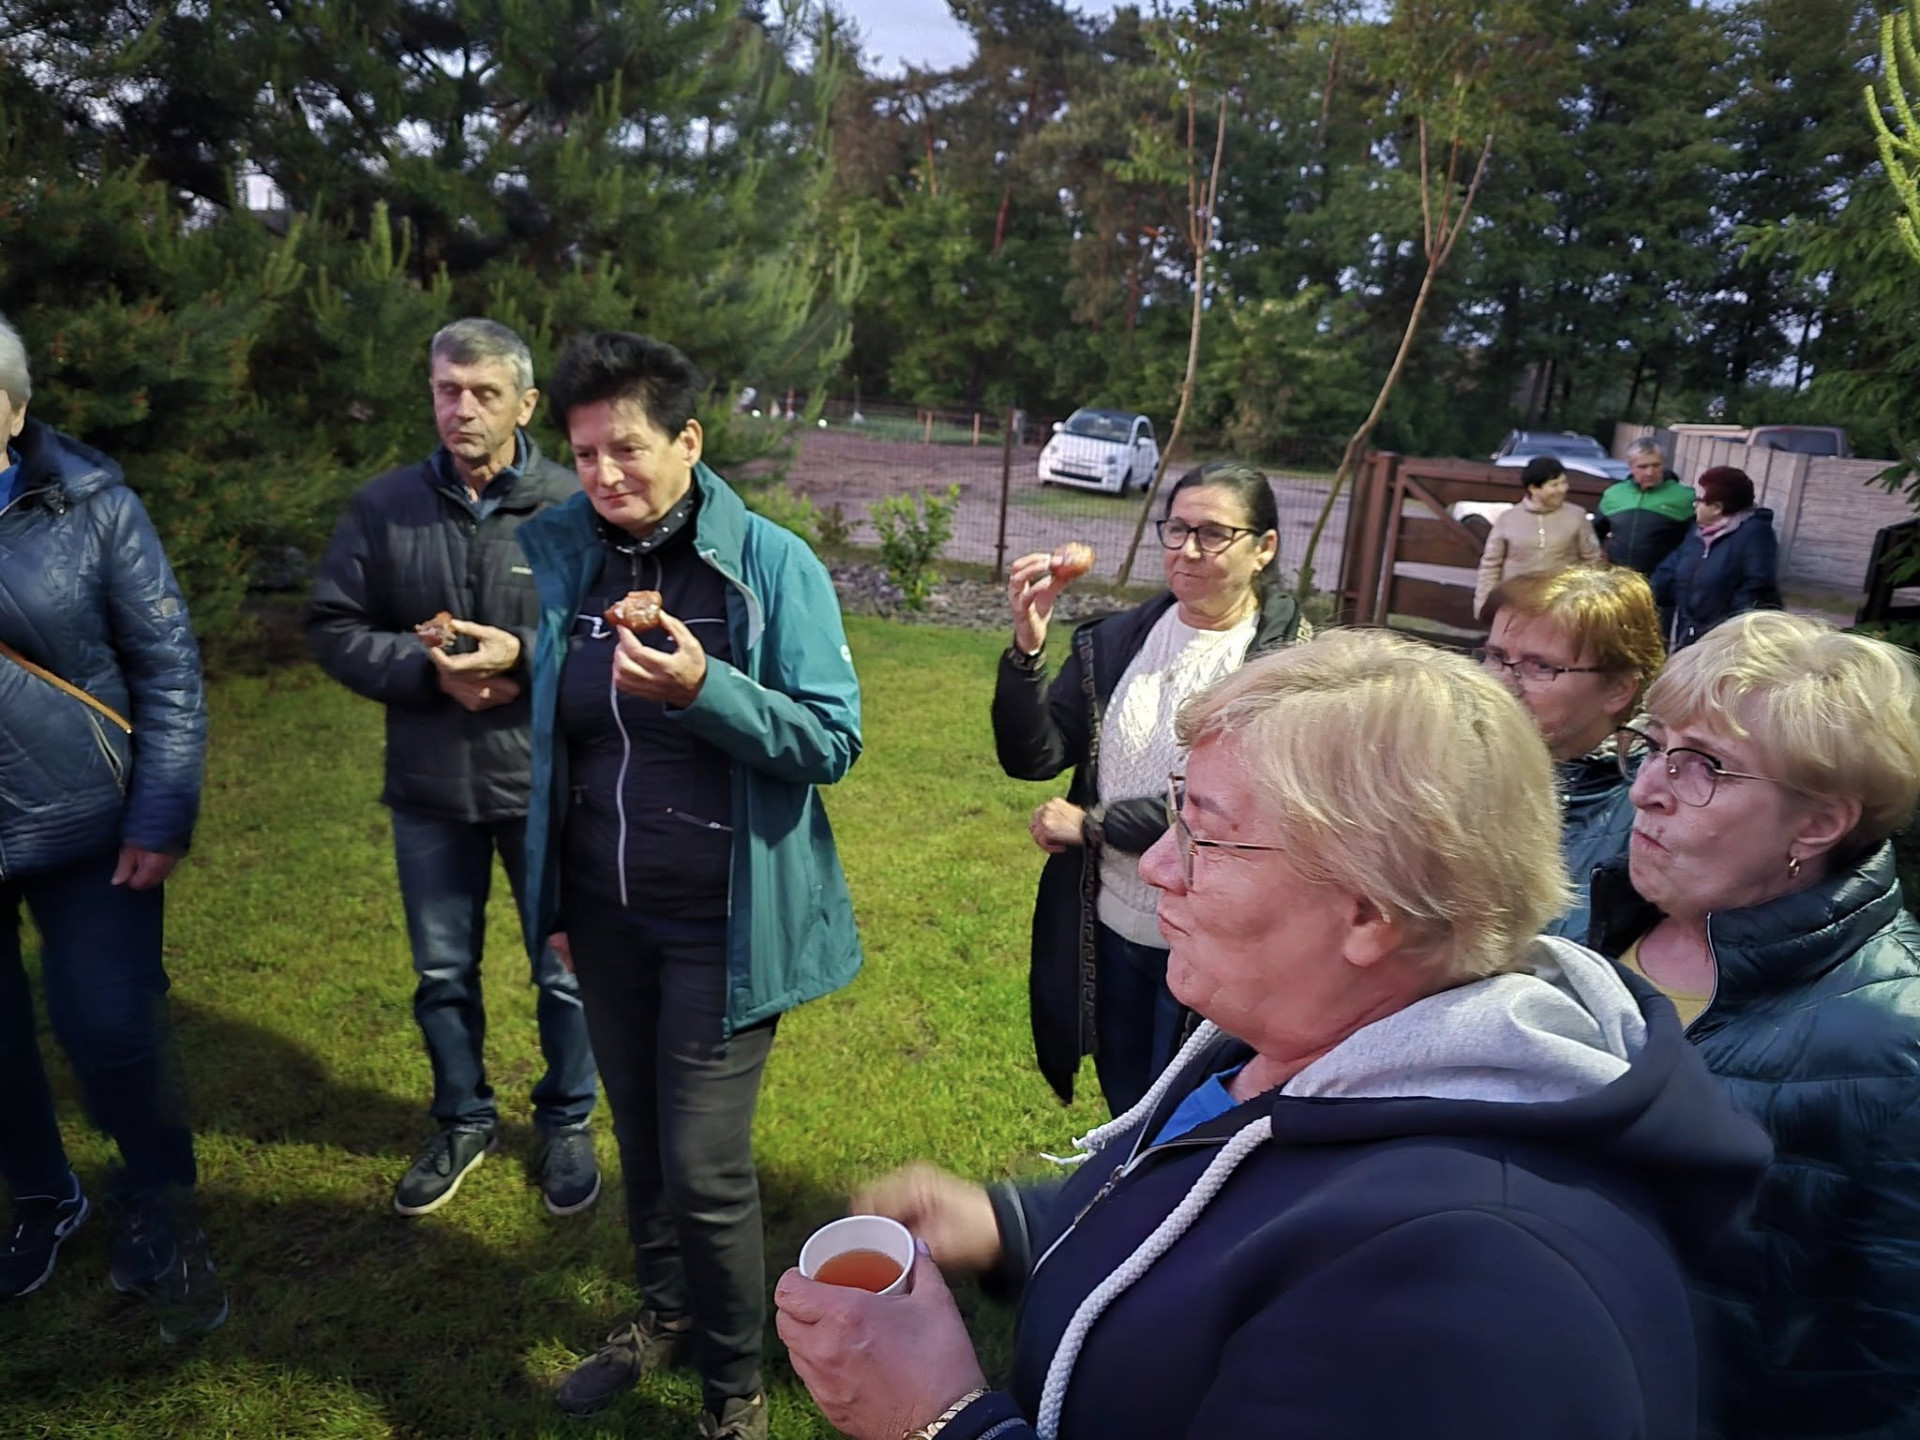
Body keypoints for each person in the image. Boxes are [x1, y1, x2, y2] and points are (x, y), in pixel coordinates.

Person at [778, 629, 1772, 1440]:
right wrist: (1013, 1227)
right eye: (1174, 812)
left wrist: (940, 1418)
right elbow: (1227, 1214)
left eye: (1205, 833)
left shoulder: (1475, 1291)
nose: (1157, 865)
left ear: (1370, 912)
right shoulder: (1299, 1045)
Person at [517, 331, 862, 1440]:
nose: (604, 474)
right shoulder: (567, 562)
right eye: (584, 454)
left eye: (626, 448)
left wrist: (707, 687)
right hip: (606, 916)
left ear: (689, 442)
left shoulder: (770, 565)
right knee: (641, 1138)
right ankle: (664, 1311)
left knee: (707, 1167)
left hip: (725, 921)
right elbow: (564, 739)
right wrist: (558, 908)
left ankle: (734, 1391)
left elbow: (830, 739)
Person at [1587, 611, 1920, 1438]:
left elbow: (1889, 1369)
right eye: (1654, 745)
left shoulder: (1893, 1040)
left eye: (1703, 766)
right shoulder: (1587, 917)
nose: (1646, 788)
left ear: (1818, 823)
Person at [307, 318, 599, 1219]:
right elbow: (333, 625)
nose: (461, 408)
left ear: (526, 403)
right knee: (441, 974)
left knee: (566, 969)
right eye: (446, 390)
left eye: (482, 392)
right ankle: (463, 1119)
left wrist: (525, 657)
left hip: (544, 786)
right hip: (431, 788)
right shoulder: (385, 506)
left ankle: (567, 1123)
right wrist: (424, 671)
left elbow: (606, 635)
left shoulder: (574, 506)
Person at [0, 312, 225, 1339]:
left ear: (14, 410)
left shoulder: (96, 508)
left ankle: (158, 1201)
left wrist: (163, 811)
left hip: (89, 826)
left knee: (111, 1028)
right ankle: (43, 1196)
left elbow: (168, 671)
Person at [992, 461, 1302, 1115]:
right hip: (1111, 927)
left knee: (1198, 1109)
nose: (1187, 549)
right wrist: (1028, 648)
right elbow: (1034, 756)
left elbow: (1248, 810)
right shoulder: (1117, 642)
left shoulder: (1290, 667)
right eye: (1177, 529)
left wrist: (1095, 825)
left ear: (1264, 548)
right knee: (1127, 1101)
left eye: (1213, 533)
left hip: (1218, 939)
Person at [1479, 566, 1665, 940]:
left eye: (1540, 666)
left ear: (1617, 689)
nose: (1503, 684)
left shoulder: (1651, 809)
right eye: (1496, 657)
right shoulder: (1455, 763)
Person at [1649, 464, 1782, 650]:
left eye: (1699, 500)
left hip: (1725, 643)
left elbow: (1755, 592)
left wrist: (1726, 637)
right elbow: (1669, 571)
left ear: (1717, 508)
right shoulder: (1698, 532)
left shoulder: (1756, 536)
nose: (1694, 505)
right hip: (1690, 635)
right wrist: (1641, 598)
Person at [1471, 455, 1603, 617]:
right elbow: (1490, 565)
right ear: (1534, 489)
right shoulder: (1508, 519)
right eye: (1554, 485)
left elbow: (1593, 561)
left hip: (1562, 608)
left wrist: (1588, 604)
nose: (1562, 489)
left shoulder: (1577, 516)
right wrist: (1483, 605)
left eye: (1564, 482)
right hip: (1515, 606)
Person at [1594, 438, 1694, 576]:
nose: (1649, 472)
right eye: (1643, 466)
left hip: (1661, 579)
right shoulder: (1614, 494)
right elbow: (1594, 534)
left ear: (1664, 464)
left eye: (1656, 465)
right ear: (1631, 466)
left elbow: (1694, 544)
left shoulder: (1684, 496)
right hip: (1618, 577)